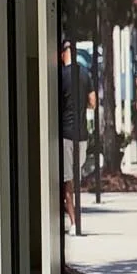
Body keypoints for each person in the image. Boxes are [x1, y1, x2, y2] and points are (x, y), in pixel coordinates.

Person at [58, 37, 95, 235]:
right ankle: (75, 220)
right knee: (75, 178)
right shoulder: (84, 73)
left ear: (64, 53)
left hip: (65, 134)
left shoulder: (61, 75)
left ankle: (73, 222)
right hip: (82, 134)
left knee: (68, 182)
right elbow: (93, 102)